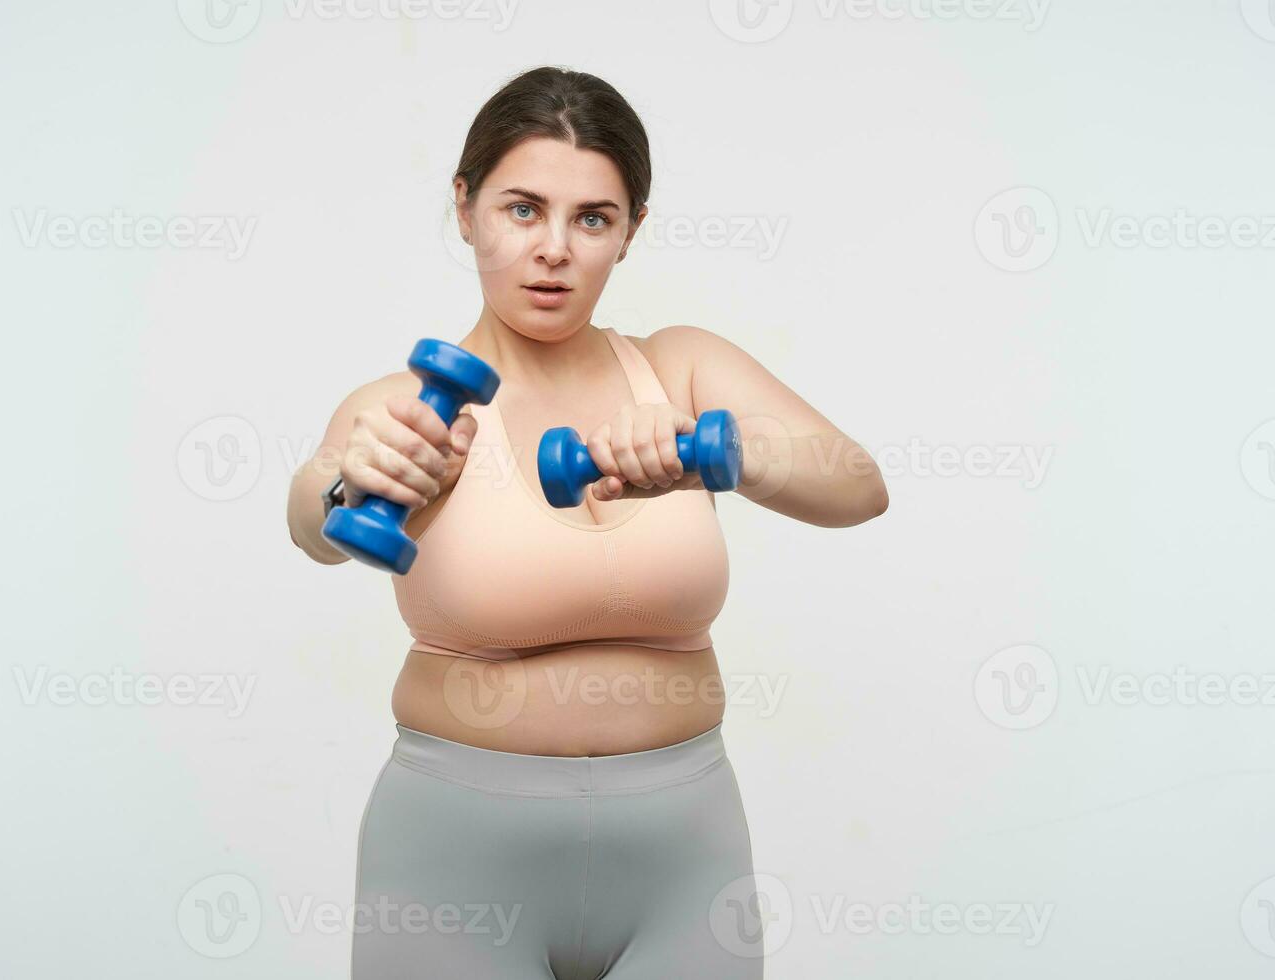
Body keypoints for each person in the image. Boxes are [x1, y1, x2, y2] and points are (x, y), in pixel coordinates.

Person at [287, 65, 888, 979]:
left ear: (630, 232)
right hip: (453, 860)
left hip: (687, 860)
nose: (555, 249)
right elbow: (314, 510)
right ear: (466, 208)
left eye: (593, 219)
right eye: (522, 209)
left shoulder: (680, 369)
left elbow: (859, 484)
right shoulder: (408, 413)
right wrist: (347, 481)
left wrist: (714, 451)